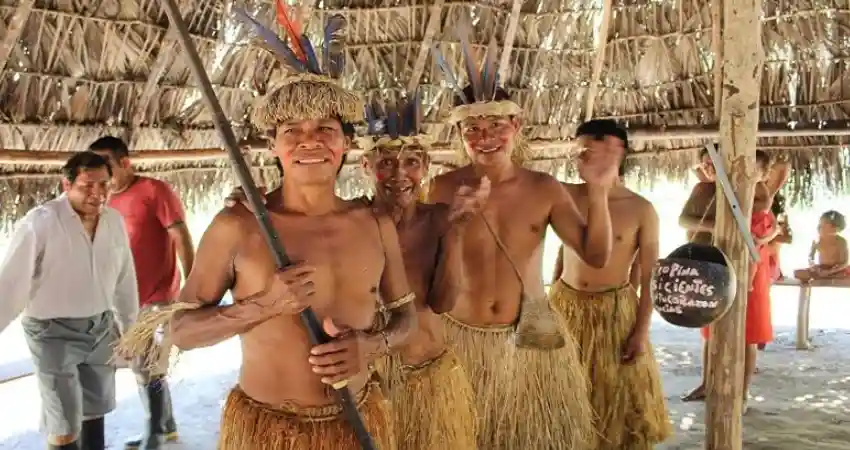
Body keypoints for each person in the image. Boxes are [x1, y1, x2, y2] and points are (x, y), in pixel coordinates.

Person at [115, 12, 416, 450]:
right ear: (273, 145)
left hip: (358, 423)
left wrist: (372, 346)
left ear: (346, 143)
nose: (310, 140)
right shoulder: (238, 226)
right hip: (268, 430)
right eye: (292, 131)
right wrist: (263, 306)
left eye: (326, 129)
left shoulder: (374, 222)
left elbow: (406, 318)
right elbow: (180, 331)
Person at [228, 95, 484, 449]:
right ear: (365, 165)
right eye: (386, 163)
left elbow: (442, 303)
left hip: (426, 379)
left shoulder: (441, 218)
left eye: (411, 162)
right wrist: (251, 203)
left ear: (426, 165)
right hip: (365, 388)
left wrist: (456, 232)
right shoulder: (356, 224)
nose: (399, 175)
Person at [427, 37, 616, 448]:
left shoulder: (544, 188)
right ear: (460, 135)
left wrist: (599, 191)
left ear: (517, 126)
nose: (485, 137)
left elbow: (596, 256)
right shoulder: (440, 188)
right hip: (457, 339)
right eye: (472, 129)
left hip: (527, 343)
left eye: (497, 126)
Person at [0, 152, 139, 450]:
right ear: (67, 185)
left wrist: (131, 329)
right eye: (87, 186)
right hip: (51, 333)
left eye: (104, 185)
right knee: (63, 425)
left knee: (94, 413)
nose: (97, 193)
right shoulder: (42, 222)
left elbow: (125, 279)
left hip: (100, 328)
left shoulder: (113, 221)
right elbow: (11, 284)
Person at [548, 119, 670, 450]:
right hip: (565, 306)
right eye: (581, 152)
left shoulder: (641, 209)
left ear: (618, 152)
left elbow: (650, 275)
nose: (585, 158)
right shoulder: (562, 196)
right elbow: (562, 251)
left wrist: (641, 331)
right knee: (562, 399)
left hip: (615, 311)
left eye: (593, 151)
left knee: (616, 402)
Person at [87, 136, 194, 450]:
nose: (101, 171)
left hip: (158, 296)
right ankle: (166, 426)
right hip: (125, 299)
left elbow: (181, 236)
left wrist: (192, 287)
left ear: (125, 162)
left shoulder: (153, 191)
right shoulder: (105, 200)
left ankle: (155, 434)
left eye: (106, 163)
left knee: (147, 364)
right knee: (140, 362)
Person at [682, 149, 788, 405]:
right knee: (710, 327)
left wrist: (762, 236)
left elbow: (771, 225)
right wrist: (721, 226)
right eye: (705, 163)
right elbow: (684, 220)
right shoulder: (703, 189)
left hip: (750, 262)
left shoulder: (754, 188)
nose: (708, 167)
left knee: (749, 330)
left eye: (713, 162)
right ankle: (707, 383)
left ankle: (742, 393)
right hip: (713, 262)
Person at [794, 210, 850, 283]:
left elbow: (845, 263)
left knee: (845, 273)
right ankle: (823, 276)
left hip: (837, 270)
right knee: (798, 273)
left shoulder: (841, 241)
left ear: (834, 228)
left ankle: (827, 276)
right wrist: (814, 267)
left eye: (822, 226)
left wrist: (830, 271)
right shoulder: (817, 240)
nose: (818, 228)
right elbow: (810, 257)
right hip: (821, 269)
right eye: (819, 225)